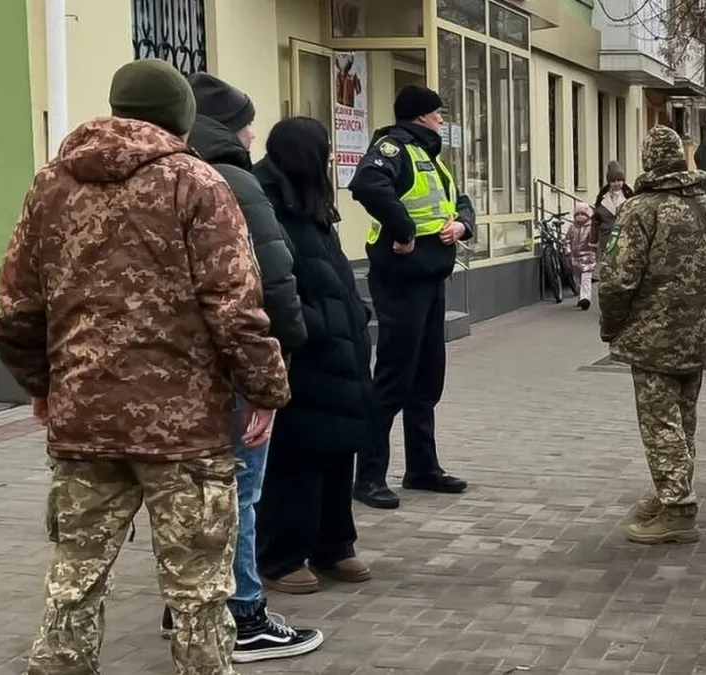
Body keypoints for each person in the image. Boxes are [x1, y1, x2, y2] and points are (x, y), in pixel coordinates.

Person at [0, 58, 290, 675]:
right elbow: (234, 304)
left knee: (74, 581)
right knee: (199, 593)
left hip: (85, 419)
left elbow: (17, 305)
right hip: (184, 430)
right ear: (181, 116)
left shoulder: (51, 185)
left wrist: (42, 384)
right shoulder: (197, 182)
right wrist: (263, 389)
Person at [150, 72, 322, 663]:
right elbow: (269, 280)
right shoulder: (229, 180)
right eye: (248, 122)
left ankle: (187, 608)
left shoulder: (146, 178)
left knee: (186, 496)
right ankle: (243, 615)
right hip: (227, 368)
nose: (254, 134)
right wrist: (282, 359)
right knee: (237, 493)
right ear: (226, 125)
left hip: (158, 374)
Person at [251, 117, 377, 593]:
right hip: (305, 351)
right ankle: (281, 556)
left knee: (338, 447)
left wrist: (355, 312)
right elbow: (269, 282)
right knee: (298, 456)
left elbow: (332, 269)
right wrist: (315, 326)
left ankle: (334, 545)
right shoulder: (266, 202)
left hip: (340, 347)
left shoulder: (312, 201)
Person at [598, 125, 706, 545]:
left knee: (660, 423)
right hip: (695, 336)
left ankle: (677, 508)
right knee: (683, 420)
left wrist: (612, 326)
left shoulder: (640, 210)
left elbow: (617, 280)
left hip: (652, 339)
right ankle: (669, 492)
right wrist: (696, 305)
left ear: (649, 162)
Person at [347, 85, 476, 510]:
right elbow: (367, 184)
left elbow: (459, 201)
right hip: (401, 281)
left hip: (431, 280)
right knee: (392, 380)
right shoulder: (393, 148)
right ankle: (368, 477)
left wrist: (462, 225)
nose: (442, 119)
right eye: (438, 113)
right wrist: (402, 230)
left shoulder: (430, 156)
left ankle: (422, 468)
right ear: (421, 115)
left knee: (426, 380)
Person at [592, 161, 635, 252]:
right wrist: (593, 240)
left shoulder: (630, 197)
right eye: (613, 181)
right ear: (609, 182)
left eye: (619, 180)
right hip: (606, 239)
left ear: (623, 181)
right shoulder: (602, 198)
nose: (616, 184)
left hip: (624, 238)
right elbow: (595, 221)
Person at [565, 202, 597, 310]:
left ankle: (585, 298)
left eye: (583, 214)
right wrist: (568, 251)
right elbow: (567, 240)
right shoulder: (572, 228)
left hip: (588, 257)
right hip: (574, 258)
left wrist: (594, 248)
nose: (580, 217)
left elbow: (594, 240)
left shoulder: (591, 227)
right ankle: (580, 296)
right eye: (577, 214)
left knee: (586, 278)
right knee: (577, 279)